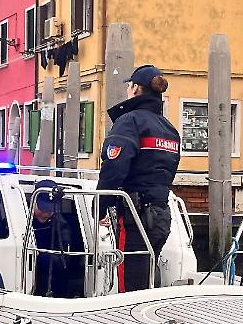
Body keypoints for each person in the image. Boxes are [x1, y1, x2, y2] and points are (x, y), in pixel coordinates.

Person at [96, 65, 181, 292]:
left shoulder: (130, 121)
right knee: (148, 276)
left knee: (130, 284)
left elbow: (114, 168)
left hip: (136, 216)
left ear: (135, 88)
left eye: (129, 85)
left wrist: (100, 207)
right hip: (161, 214)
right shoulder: (169, 129)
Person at [30, 179, 77, 298]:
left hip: (52, 283)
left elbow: (64, 260)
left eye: (50, 209)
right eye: (43, 208)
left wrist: (40, 255)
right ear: (33, 201)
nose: (46, 213)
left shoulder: (61, 226)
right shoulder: (20, 219)